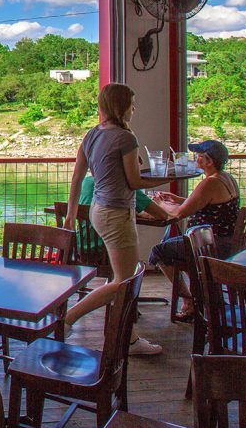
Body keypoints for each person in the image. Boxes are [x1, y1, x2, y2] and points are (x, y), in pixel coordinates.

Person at [61, 83, 172, 356]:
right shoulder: (125, 138)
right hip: (116, 213)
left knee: (122, 278)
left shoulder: (92, 134)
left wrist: (71, 215)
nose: (134, 109)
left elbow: (77, 177)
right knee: (124, 282)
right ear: (121, 106)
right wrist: (166, 178)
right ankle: (67, 319)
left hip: (98, 211)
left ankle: (128, 337)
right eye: (132, 104)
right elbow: (134, 182)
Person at [149, 140, 239, 319]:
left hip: (210, 247)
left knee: (159, 252)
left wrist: (159, 204)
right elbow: (205, 204)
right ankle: (203, 294)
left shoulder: (209, 183)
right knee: (171, 246)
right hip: (225, 242)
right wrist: (177, 199)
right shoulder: (226, 178)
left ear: (209, 161)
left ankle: (190, 301)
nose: (195, 158)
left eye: (199, 156)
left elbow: (180, 213)